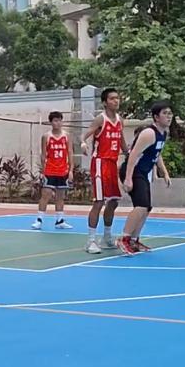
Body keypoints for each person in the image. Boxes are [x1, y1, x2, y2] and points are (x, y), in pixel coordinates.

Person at [117, 101, 172, 255]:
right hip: (133, 171)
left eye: (170, 113)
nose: (169, 116)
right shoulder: (149, 133)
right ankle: (124, 238)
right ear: (156, 117)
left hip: (142, 172)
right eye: (165, 113)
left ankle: (134, 240)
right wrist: (128, 178)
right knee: (141, 206)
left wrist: (165, 172)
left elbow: (157, 154)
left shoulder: (163, 133)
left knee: (146, 208)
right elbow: (133, 154)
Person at [80, 88, 128, 254]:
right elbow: (84, 135)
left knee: (113, 202)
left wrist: (130, 154)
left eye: (117, 98)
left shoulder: (120, 120)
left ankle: (107, 237)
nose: (116, 101)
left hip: (113, 164)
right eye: (112, 98)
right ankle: (90, 241)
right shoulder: (101, 119)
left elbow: (122, 142)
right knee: (99, 202)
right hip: (100, 163)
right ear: (105, 102)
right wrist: (83, 143)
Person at [32, 111, 74, 230]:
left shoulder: (67, 136)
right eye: (55, 121)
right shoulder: (46, 136)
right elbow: (43, 155)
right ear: (51, 122)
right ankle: (39, 220)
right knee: (46, 195)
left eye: (60, 120)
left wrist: (71, 170)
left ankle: (59, 221)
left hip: (63, 170)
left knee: (60, 196)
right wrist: (43, 171)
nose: (58, 123)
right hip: (50, 170)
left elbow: (70, 152)